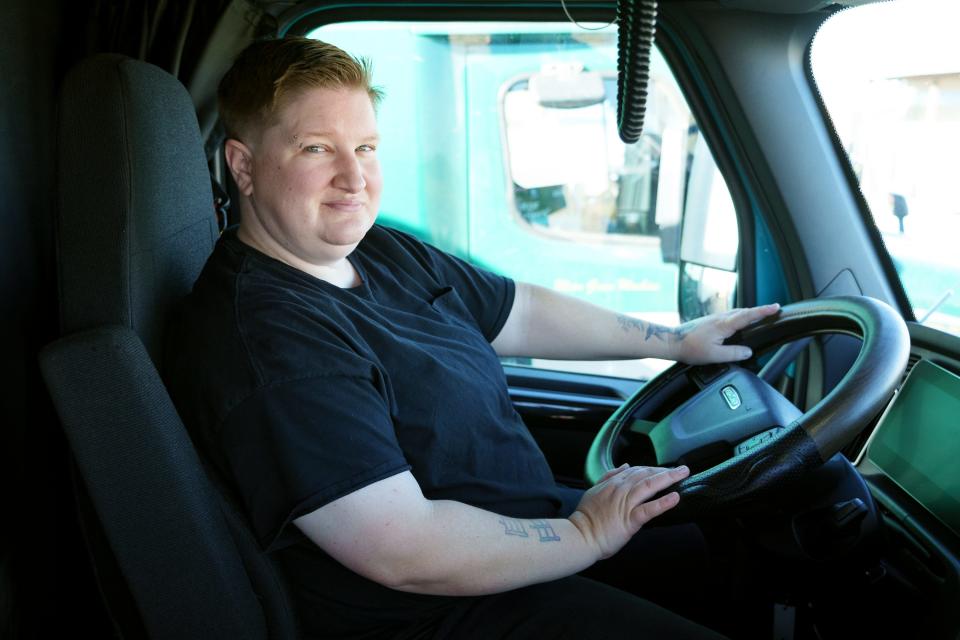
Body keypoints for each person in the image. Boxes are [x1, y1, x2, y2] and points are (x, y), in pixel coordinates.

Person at [164, 36, 780, 639]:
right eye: (318, 149)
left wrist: (675, 340)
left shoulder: (375, 248)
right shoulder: (270, 337)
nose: (354, 178)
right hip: (441, 609)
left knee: (723, 546)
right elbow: (402, 550)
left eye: (367, 147)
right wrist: (584, 536)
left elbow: (522, 311)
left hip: (522, 541)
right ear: (242, 165)